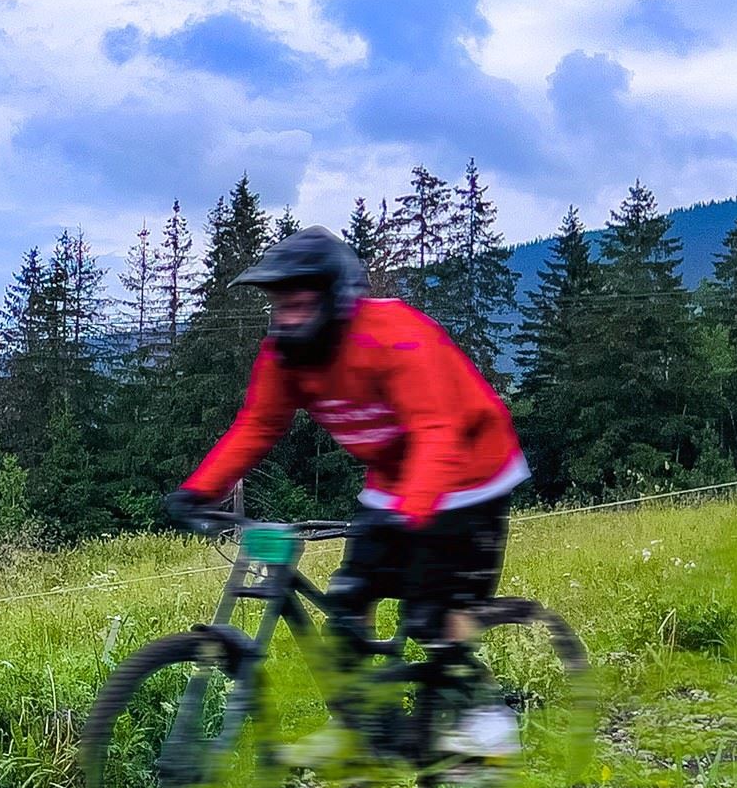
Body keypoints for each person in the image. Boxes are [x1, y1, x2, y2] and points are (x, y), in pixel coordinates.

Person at [162, 226, 528, 758]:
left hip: (472, 472)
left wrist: (414, 512)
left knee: (432, 614)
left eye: (301, 302)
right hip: (392, 479)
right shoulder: (285, 356)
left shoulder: (394, 334)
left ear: (336, 297)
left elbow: (436, 431)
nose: (287, 315)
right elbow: (258, 425)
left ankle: (483, 708)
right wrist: (199, 491)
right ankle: (365, 723)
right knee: (349, 600)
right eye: (279, 303)